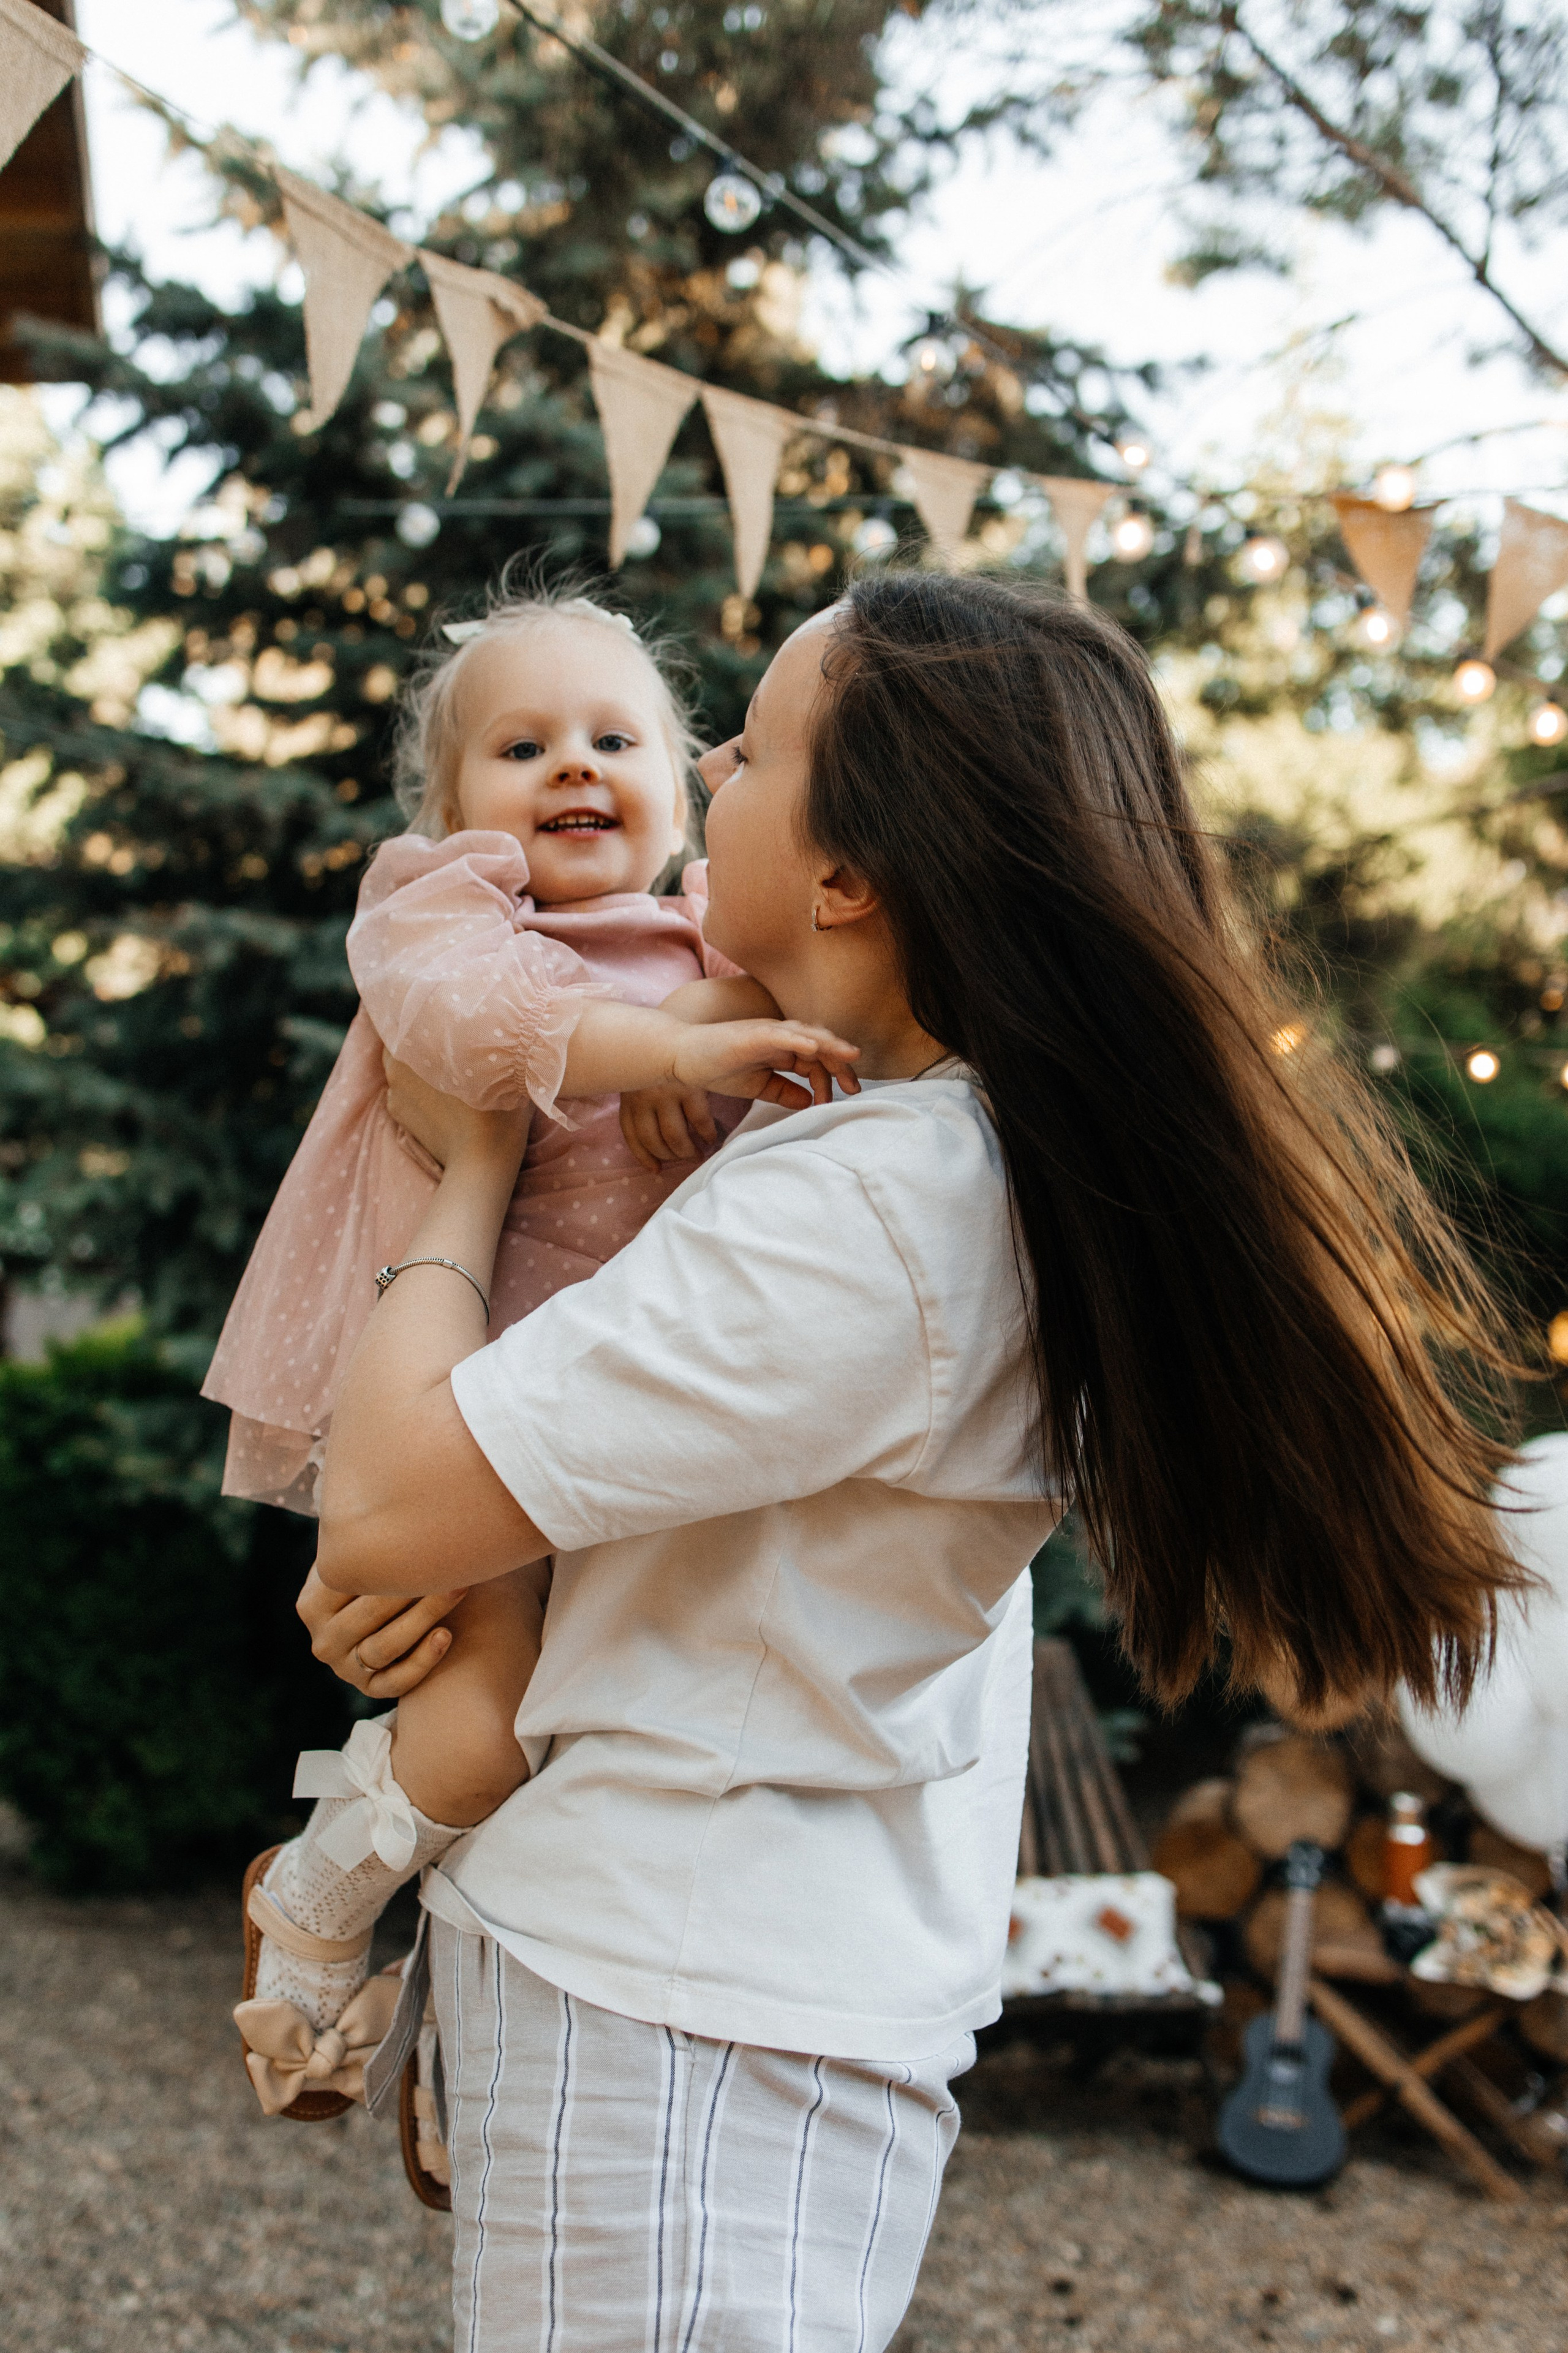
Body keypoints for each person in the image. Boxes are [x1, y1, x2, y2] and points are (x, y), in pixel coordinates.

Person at [296, 574, 1521, 2349]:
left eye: (751, 749)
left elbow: (384, 1499)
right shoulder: (912, 1150)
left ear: (851, 877)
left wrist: (470, 1160)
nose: (705, 770)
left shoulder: (875, 1208)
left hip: (679, 2007)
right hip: (735, 1979)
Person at [212, 585, 858, 2085]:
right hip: (470, 1391)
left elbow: (797, 1014)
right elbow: (492, 1027)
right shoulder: (447, 918)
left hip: (649, 1427)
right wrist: (676, 1044)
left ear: (687, 785)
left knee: (606, 1750)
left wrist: (708, 1000)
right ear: (450, 810)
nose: (573, 763)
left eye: (613, 739)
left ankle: (473, 2041)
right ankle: (315, 1890)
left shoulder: (717, 936)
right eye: (521, 747)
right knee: (483, 1718)